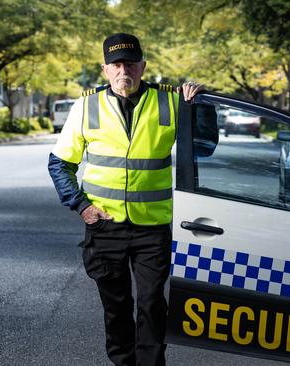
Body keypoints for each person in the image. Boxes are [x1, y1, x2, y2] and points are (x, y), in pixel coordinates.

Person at [47, 32, 208, 366]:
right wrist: (81, 205)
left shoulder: (171, 101)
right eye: (117, 64)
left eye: (131, 64)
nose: (125, 71)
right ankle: (123, 362)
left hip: (152, 227)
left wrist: (199, 109)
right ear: (106, 69)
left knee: (151, 303)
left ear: (143, 66)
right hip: (105, 225)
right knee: (115, 306)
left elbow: (204, 148)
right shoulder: (86, 106)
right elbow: (60, 164)